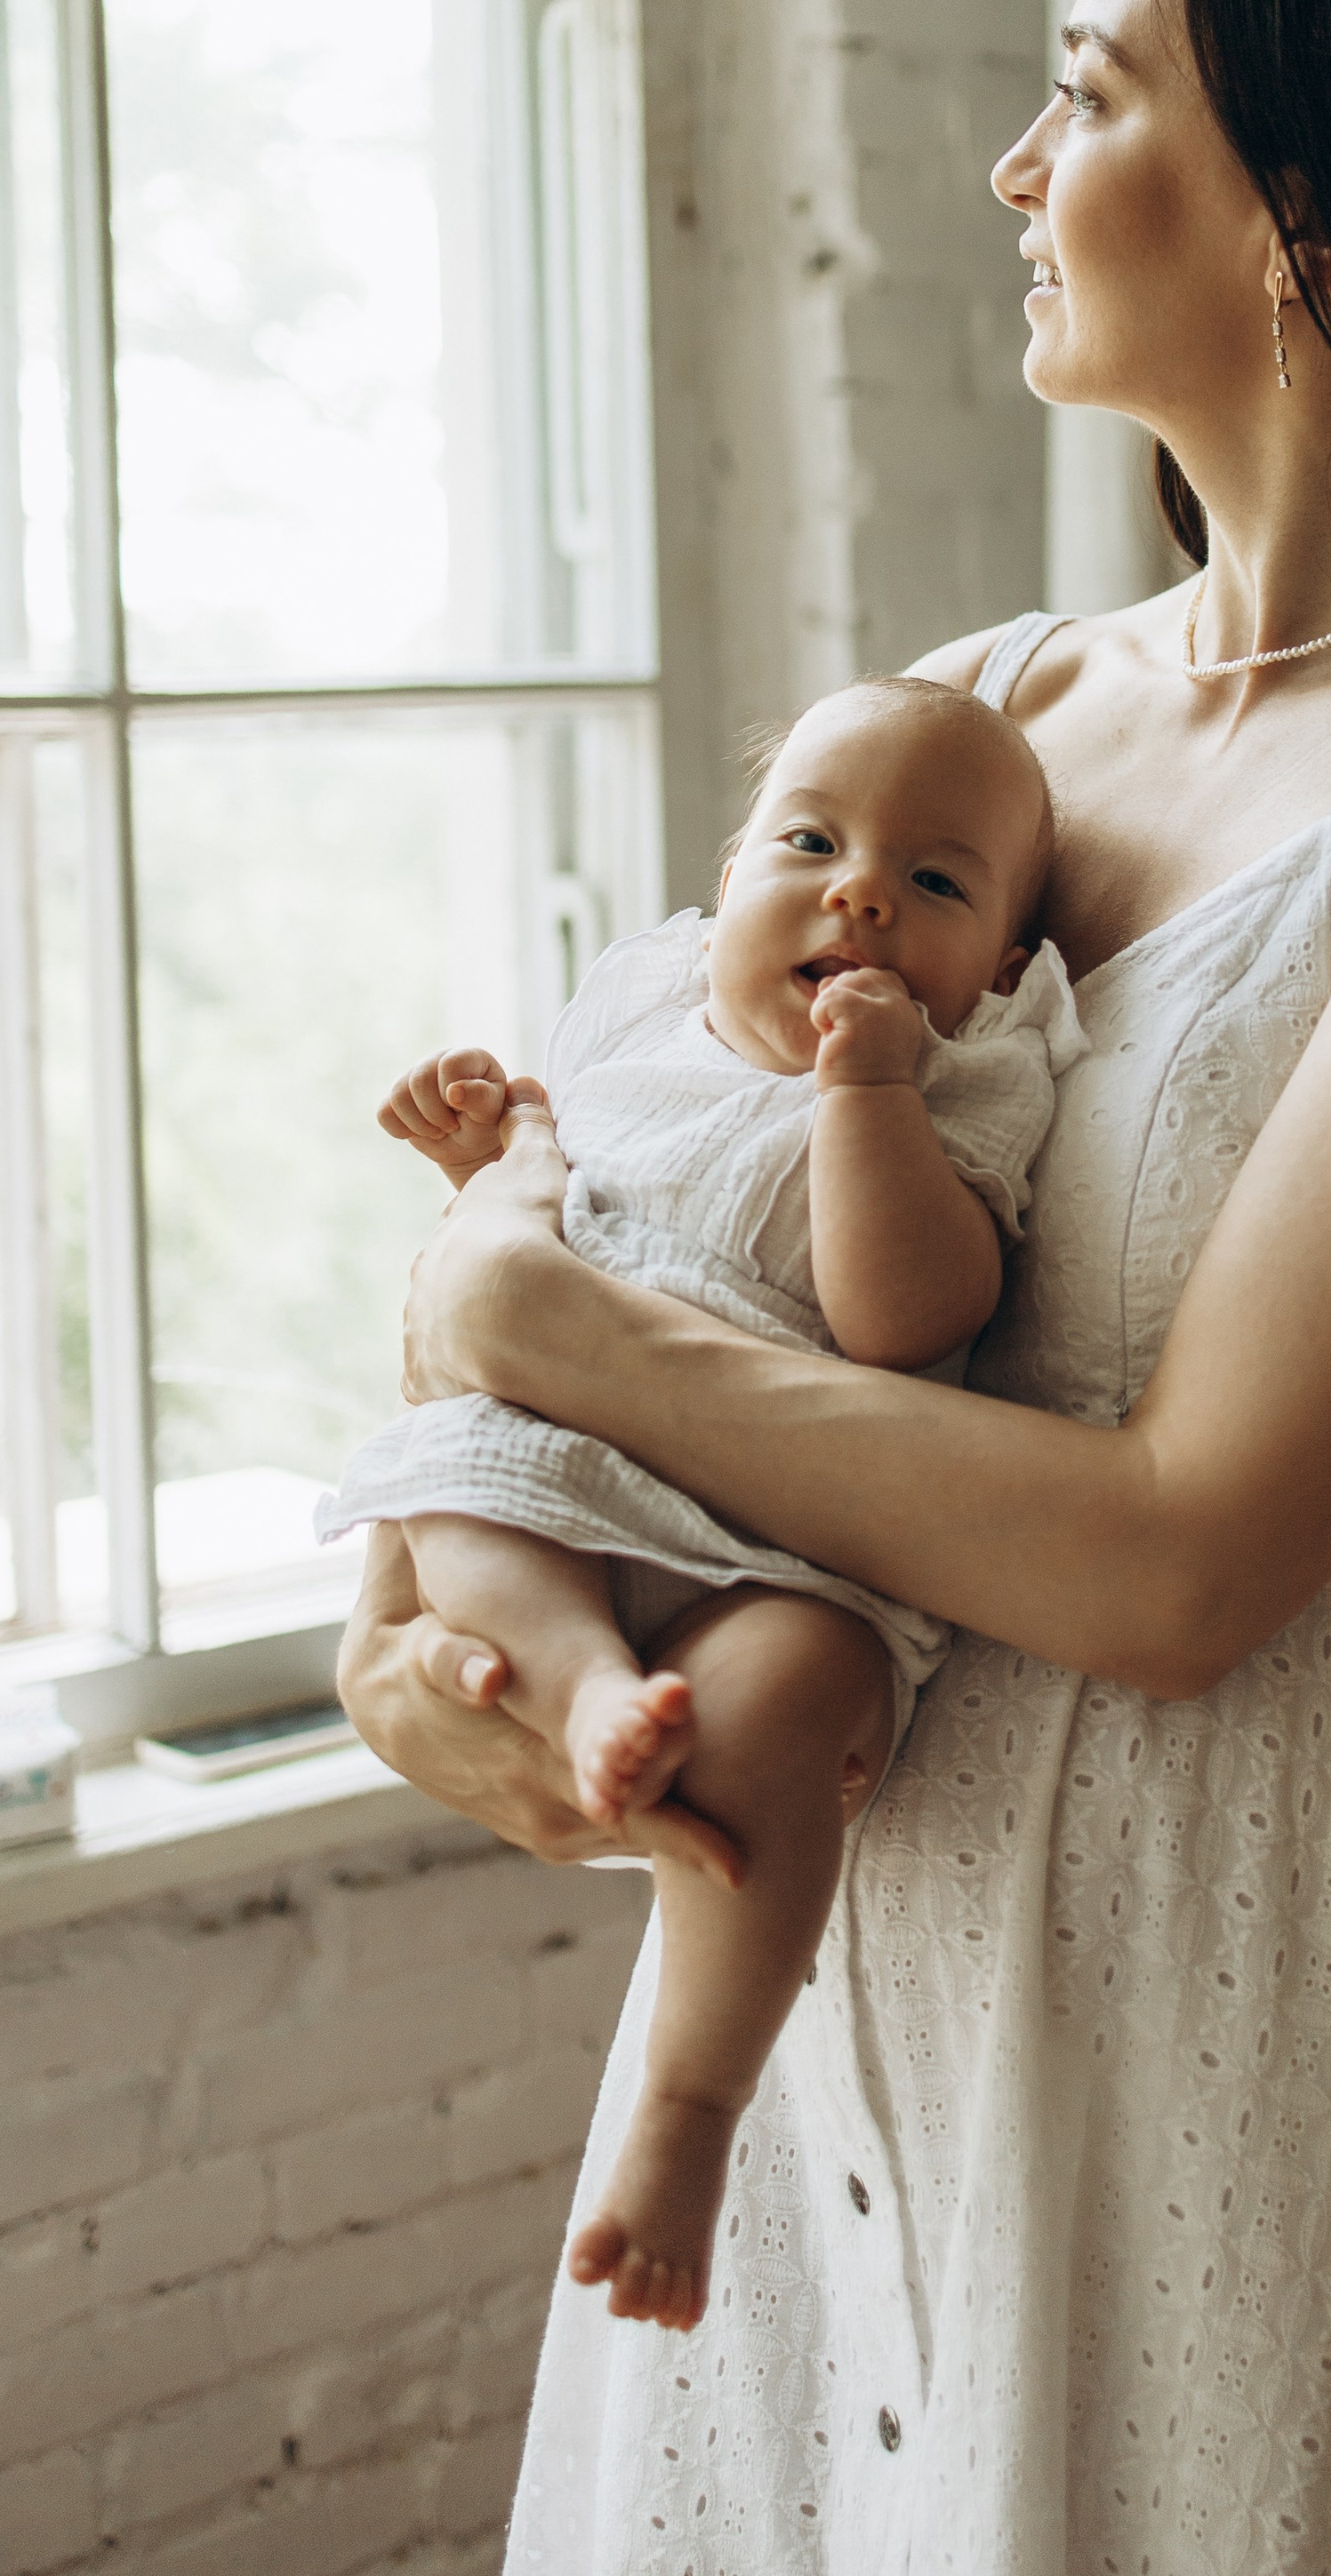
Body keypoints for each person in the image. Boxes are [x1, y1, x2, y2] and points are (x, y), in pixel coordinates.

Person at [339, 0, 1331, 2572]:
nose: (1015, 172)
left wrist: (537, 1338)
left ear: (1310, 211)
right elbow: (650, 1195)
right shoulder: (992, 709)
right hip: (828, 1921)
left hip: (1232, 1917)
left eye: (1084, 91)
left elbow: (1182, 1562)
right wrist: (434, 1630)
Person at [322, 676, 1081, 2334]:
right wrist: (477, 1161)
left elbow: (905, 1316)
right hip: (565, 1472)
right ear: (728, 876)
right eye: (810, 843)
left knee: (792, 1698)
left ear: (1009, 974)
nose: (861, 891)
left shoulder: (965, 1095)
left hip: (785, 1538)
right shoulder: (636, 1027)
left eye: (936, 886)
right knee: (465, 1490)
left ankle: (688, 2114)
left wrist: (866, 1098)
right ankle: (587, 1681)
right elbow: (520, 1241)